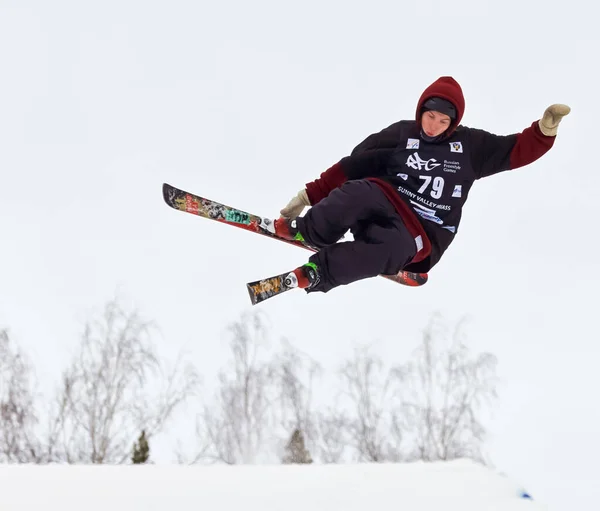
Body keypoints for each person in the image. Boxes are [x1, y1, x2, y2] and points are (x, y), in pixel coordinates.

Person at [267, 76, 570, 293]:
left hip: (424, 232)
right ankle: (309, 230)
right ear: (421, 111)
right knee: (358, 191)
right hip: (385, 200)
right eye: (430, 116)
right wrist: (309, 195)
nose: (433, 126)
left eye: (442, 121)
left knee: (390, 248)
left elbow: (515, 150)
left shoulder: (470, 148)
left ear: (454, 122)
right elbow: (353, 165)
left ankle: (322, 272)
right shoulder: (401, 135)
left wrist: (544, 130)